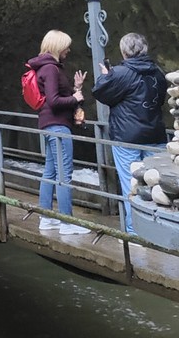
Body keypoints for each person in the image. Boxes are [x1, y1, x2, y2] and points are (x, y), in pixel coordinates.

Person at [92, 31, 167, 232]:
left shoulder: (120, 73)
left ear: (124, 52)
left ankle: (134, 232)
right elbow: (160, 101)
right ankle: (158, 231)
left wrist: (106, 77)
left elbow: (100, 92)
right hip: (155, 134)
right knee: (156, 185)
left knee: (130, 184)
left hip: (126, 137)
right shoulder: (157, 72)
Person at [26, 30, 88, 236]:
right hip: (58, 126)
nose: (69, 50)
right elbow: (54, 101)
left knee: (51, 171)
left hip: (50, 125)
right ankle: (66, 222)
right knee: (64, 174)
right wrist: (76, 97)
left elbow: (56, 96)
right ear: (58, 47)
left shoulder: (44, 68)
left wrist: (75, 89)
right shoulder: (51, 69)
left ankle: (46, 219)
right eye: (66, 46)